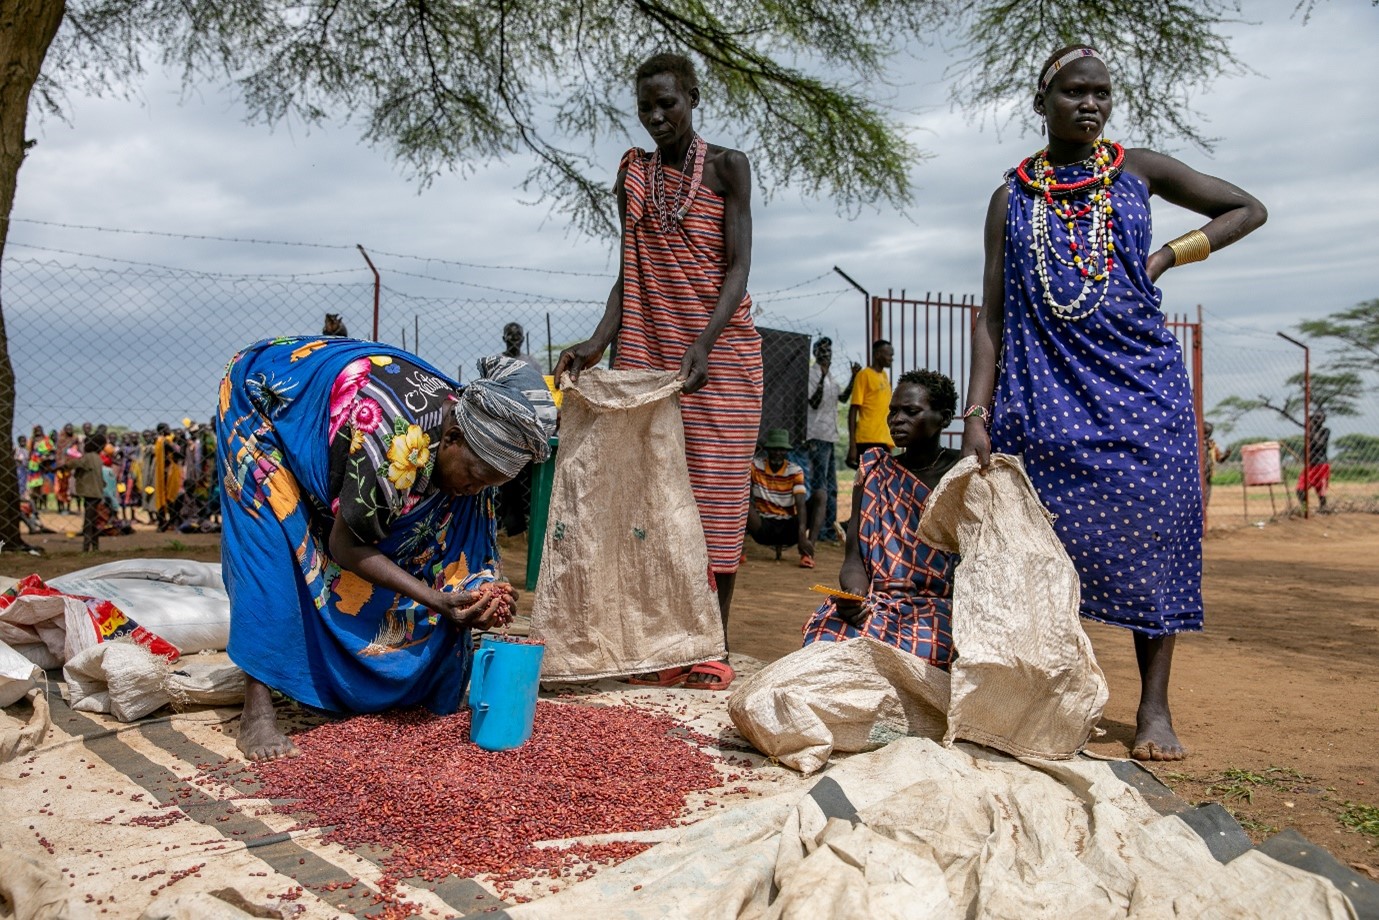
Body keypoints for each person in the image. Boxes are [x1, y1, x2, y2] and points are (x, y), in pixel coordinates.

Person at [962, 45, 1267, 762]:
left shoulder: (1138, 171)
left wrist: (1166, 256)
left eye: (1100, 92)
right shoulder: (1011, 198)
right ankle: (1039, 693)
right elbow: (992, 314)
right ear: (1042, 102)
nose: (1090, 104)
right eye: (1073, 92)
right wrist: (976, 411)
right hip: (1041, 400)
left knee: (1153, 542)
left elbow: (1244, 209)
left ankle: (1152, 704)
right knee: (1033, 552)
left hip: (1140, 393)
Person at [218, 336, 556, 761]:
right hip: (263, 403)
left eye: (491, 484)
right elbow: (346, 546)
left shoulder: (473, 441)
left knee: (439, 530)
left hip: (360, 438)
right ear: (450, 437)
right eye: (475, 475)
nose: (476, 490)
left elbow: (468, 537)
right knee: (269, 552)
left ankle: (411, 682)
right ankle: (258, 712)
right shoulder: (396, 439)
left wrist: (482, 590)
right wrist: (436, 599)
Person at [555, 52, 760, 690]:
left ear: (693, 98)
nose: (656, 117)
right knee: (650, 500)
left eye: (667, 103)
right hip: (648, 355)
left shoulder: (728, 167)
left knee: (717, 504)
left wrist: (704, 340)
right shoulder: (634, 176)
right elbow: (629, 271)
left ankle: (714, 644)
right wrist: (596, 342)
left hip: (720, 360)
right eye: (646, 106)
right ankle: (657, 639)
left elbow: (738, 266)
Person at [805, 369, 960, 661]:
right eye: (893, 411)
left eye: (911, 411)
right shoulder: (874, 471)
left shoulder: (962, 472)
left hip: (939, 605)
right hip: (878, 602)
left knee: (924, 651)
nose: (896, 419)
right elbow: (854, 559)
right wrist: (854, 596)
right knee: (826, 638)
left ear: (945, 417)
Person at [805, 338, 860, 543]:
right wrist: (822, 377)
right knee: (821, 486)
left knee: (832, 487)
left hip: (830, 436)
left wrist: (853, 378)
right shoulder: (812, 375)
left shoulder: (832, 378)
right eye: (822, 350)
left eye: (829, 350)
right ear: (815, 353)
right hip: (817, 435)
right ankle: (819, 531)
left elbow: (843, 398)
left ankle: (828, 529)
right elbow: (814, 401)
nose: (826, 353)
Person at [746, 428, 820, 568]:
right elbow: (740, 466)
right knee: (741, 501)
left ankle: (808, 551)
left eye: (781, 450)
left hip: (789, 526)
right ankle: (737, 550)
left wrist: (802, 533)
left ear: (787, 452)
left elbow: (800, 503)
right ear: (767, 450)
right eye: (774, 449)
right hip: (763, 525)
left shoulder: (795, 470)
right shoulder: (755, 466)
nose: (777, 453)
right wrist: (753, 449)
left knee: (820, 495)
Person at [847, 340, 894, 470]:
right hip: (868, 439)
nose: (891, 359)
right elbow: (853, 410)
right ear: (878, 354)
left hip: (884, 439)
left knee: (883, 483)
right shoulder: (864, 375)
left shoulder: (884, 376)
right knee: (868, 483)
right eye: (889, 355)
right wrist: (852, 445)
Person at [70, 433, 107, 552]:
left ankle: (86, 548)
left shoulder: (89, 456)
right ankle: (95, 547)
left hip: (90, 493)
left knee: (88, 522)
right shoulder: (97, 458)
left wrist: (59, 467)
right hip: (96, 492)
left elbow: (76, 463)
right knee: (94, 521)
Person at [1297, 410, 1331, 512]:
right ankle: (1305, 509)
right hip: (1310, 465)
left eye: (1320, 417)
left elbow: (1319, 444)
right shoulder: (1309, 431)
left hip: (1321, 465)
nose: (1317, 419)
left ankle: (1323, 508)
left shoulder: (1325, 431)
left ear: (1324, 420)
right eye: (1315, 417)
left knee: (1321, 491)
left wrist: (1311, 430)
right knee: (1300, 489)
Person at [1201, 422, 1231, 512]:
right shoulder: (1195, 443)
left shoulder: (1212, 445)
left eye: (1208, 434)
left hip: (1207, 475)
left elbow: (1219, 459)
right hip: (1197, 474)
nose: (1206, 436)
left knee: (1206, 497)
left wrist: (1226, 455)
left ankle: (1203, 513)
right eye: (1204, 433)